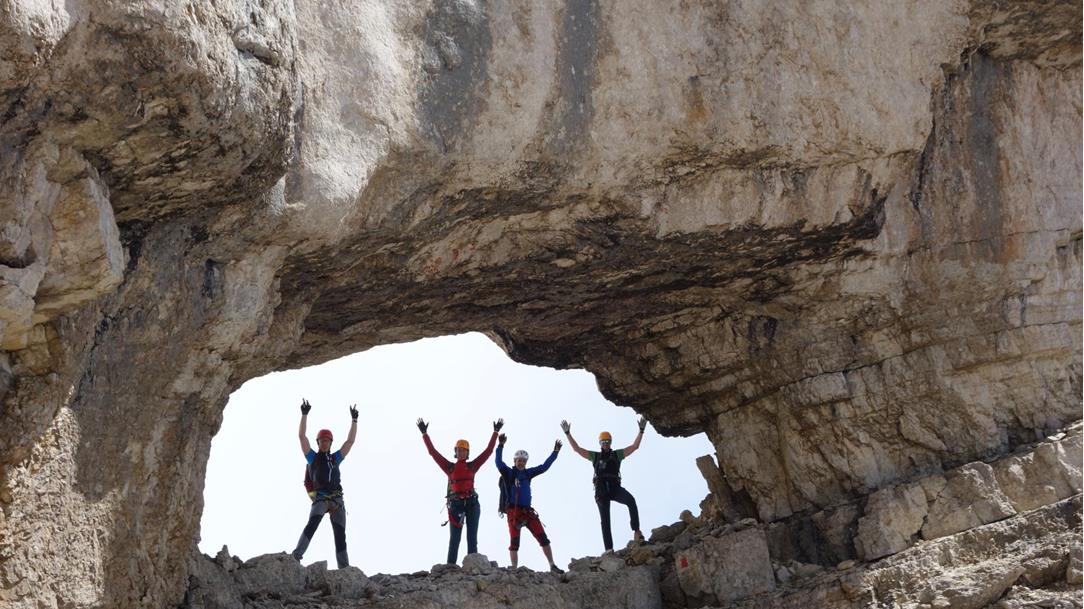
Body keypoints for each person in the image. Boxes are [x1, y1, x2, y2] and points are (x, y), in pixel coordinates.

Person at [418, 417, 502, 565]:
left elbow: (488, 451)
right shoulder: (449, 467)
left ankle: (473, 565)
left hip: (472, 503)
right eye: (459, 450)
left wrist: (495, 432)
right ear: (455, 452)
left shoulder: (472, 466)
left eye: (464, 450)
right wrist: (425, 434)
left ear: (467, 453)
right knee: (454, 539)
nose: (461, 452)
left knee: (472, 537)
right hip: (456, 505)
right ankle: (450, 568)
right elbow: (433, 452)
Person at [561, 417, 647, 552]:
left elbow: (634, 446)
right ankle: (609, 550)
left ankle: (637, 531)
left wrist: (641, 431)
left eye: (608, 441)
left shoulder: (617, 454)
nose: (606, 444)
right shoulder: (595, 456)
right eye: (603, 442)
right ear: (600, 443)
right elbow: (577, 449)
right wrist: (568, 433)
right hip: (601, 491)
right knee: (605, 520)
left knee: (631, 501)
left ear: (611, 442)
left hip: (614, 488)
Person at [291, 399, 358, 568]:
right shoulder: (312, 458)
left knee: (340, 535)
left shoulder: (335, 458)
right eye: (322, 441)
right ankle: (297, 555)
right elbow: (302, 437)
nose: (324, 443)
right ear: (318, 442)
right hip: (321, 499)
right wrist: (304, 415)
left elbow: (350, 442)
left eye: (327, 440)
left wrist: (354, 420)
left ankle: (344, 568)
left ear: (330, 442)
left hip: (337, 500)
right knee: (312, 525)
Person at [495, 432, 564, 572]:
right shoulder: (509, 473)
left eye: (523, 461)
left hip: (527, 512)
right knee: (514, 542)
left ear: (526, 463)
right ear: (515, 461)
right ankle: (514, 568)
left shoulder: (528, 473)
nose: (521, 463)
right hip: (514, 512)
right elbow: (498, 462)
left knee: (543, 538)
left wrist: (555, 452)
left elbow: (544, 467)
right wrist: (500, 446)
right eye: (519, 460)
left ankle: (552, 565)